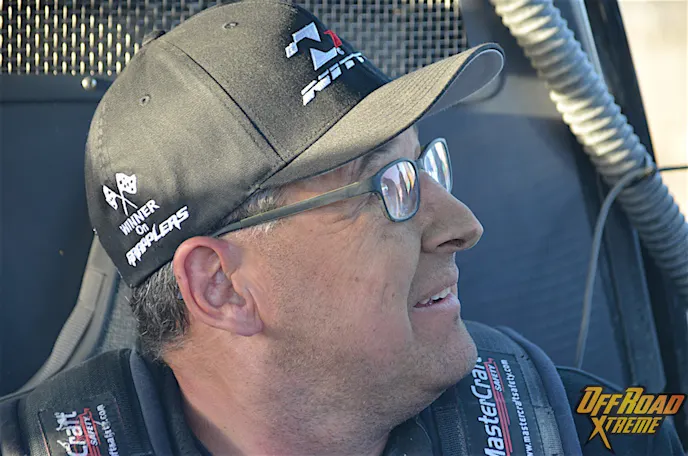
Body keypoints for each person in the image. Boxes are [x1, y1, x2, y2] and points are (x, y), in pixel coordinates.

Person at [2, 1, 682, 455]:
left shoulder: (590, 432)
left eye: (425, 166)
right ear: (220, 286)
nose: (462, 225)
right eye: (389, 187)